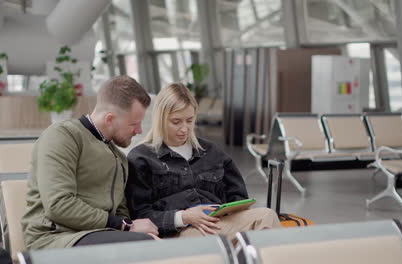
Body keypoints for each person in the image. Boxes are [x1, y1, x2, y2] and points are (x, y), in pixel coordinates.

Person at [126, 83, 281, 241]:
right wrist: (184, 217)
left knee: (267, 215)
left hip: (219, 223)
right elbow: (140, 216)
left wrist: (230, 209)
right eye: (176, 122)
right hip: (179, 232)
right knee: (214, 236)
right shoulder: (141, 159)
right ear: (160, 119)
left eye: (189, 120)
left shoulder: (212, 152)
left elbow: (238, 196)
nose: (184, 128)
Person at [22, 76, 159, 250]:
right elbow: (58, 205)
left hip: (98, 234)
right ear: (110, 119)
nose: (139, 131)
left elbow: (120, 211)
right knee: (141, 244)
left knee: (151, 240)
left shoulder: (119, 157)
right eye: (134, 124)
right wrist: (126, 225)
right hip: (54, 239)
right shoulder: (63, 136)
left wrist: (131, 227)